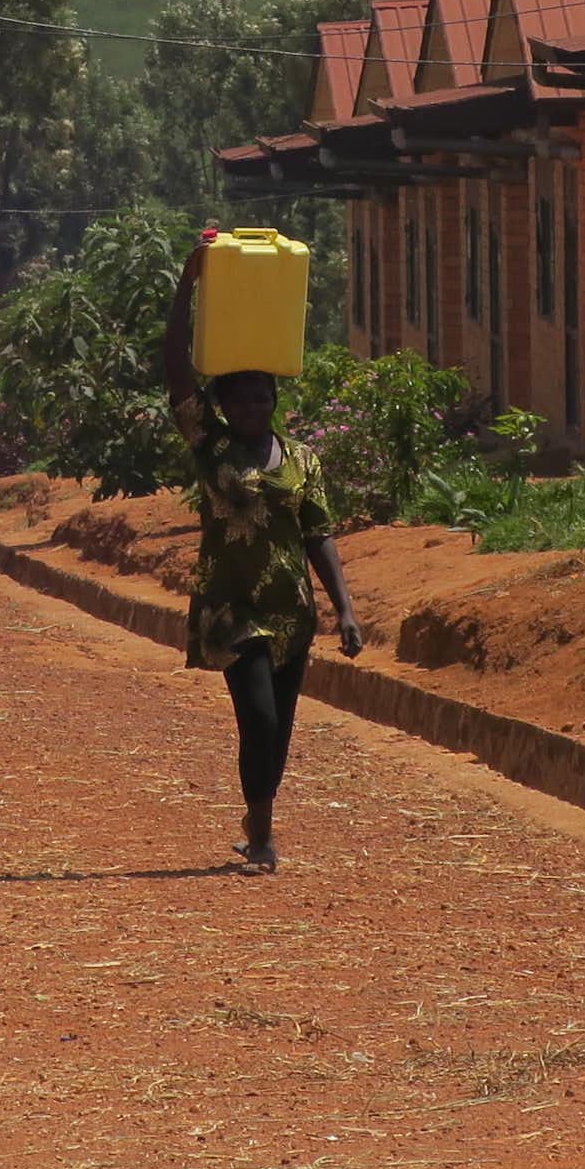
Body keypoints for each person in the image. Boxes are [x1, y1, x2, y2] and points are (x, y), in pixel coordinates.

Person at [163, 231, 364, 875]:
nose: (254, 407)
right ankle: (265, 838)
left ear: (276, 401)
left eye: (263, 397)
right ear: (221, 406)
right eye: (242, 399)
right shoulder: (211, 449)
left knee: (279, 727)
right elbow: (174, 369)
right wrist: (188, 285)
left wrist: (346, 610)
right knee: (256, 713)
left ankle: (258, 813)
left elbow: (319, 535)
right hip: (231, 608)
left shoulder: (302, 459)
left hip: (291, 610)